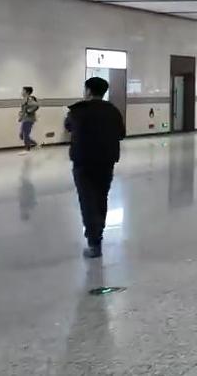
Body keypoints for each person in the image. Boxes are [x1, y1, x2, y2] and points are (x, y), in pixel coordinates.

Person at [65, 77, 126, 258]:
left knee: (87, 200)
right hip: (106, 161)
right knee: (101, 197)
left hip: (83, 161)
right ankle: (98, 232)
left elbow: (68, 126)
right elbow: (121, 134)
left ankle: (94, 242)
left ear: (88, 91)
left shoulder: (78, 110)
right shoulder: (113, 110)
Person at [18, 86, 40, 152]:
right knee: (21, 135)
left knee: (25, 135)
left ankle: (28, 148)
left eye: (23, 90)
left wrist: (29, 111)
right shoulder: (25, 99)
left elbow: (36, 105)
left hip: (28, 120)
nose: (21, 92)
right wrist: (21, 116)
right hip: (25, 119)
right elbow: (23, 109)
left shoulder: (29, 99)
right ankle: (34, 144)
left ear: (27, 92)